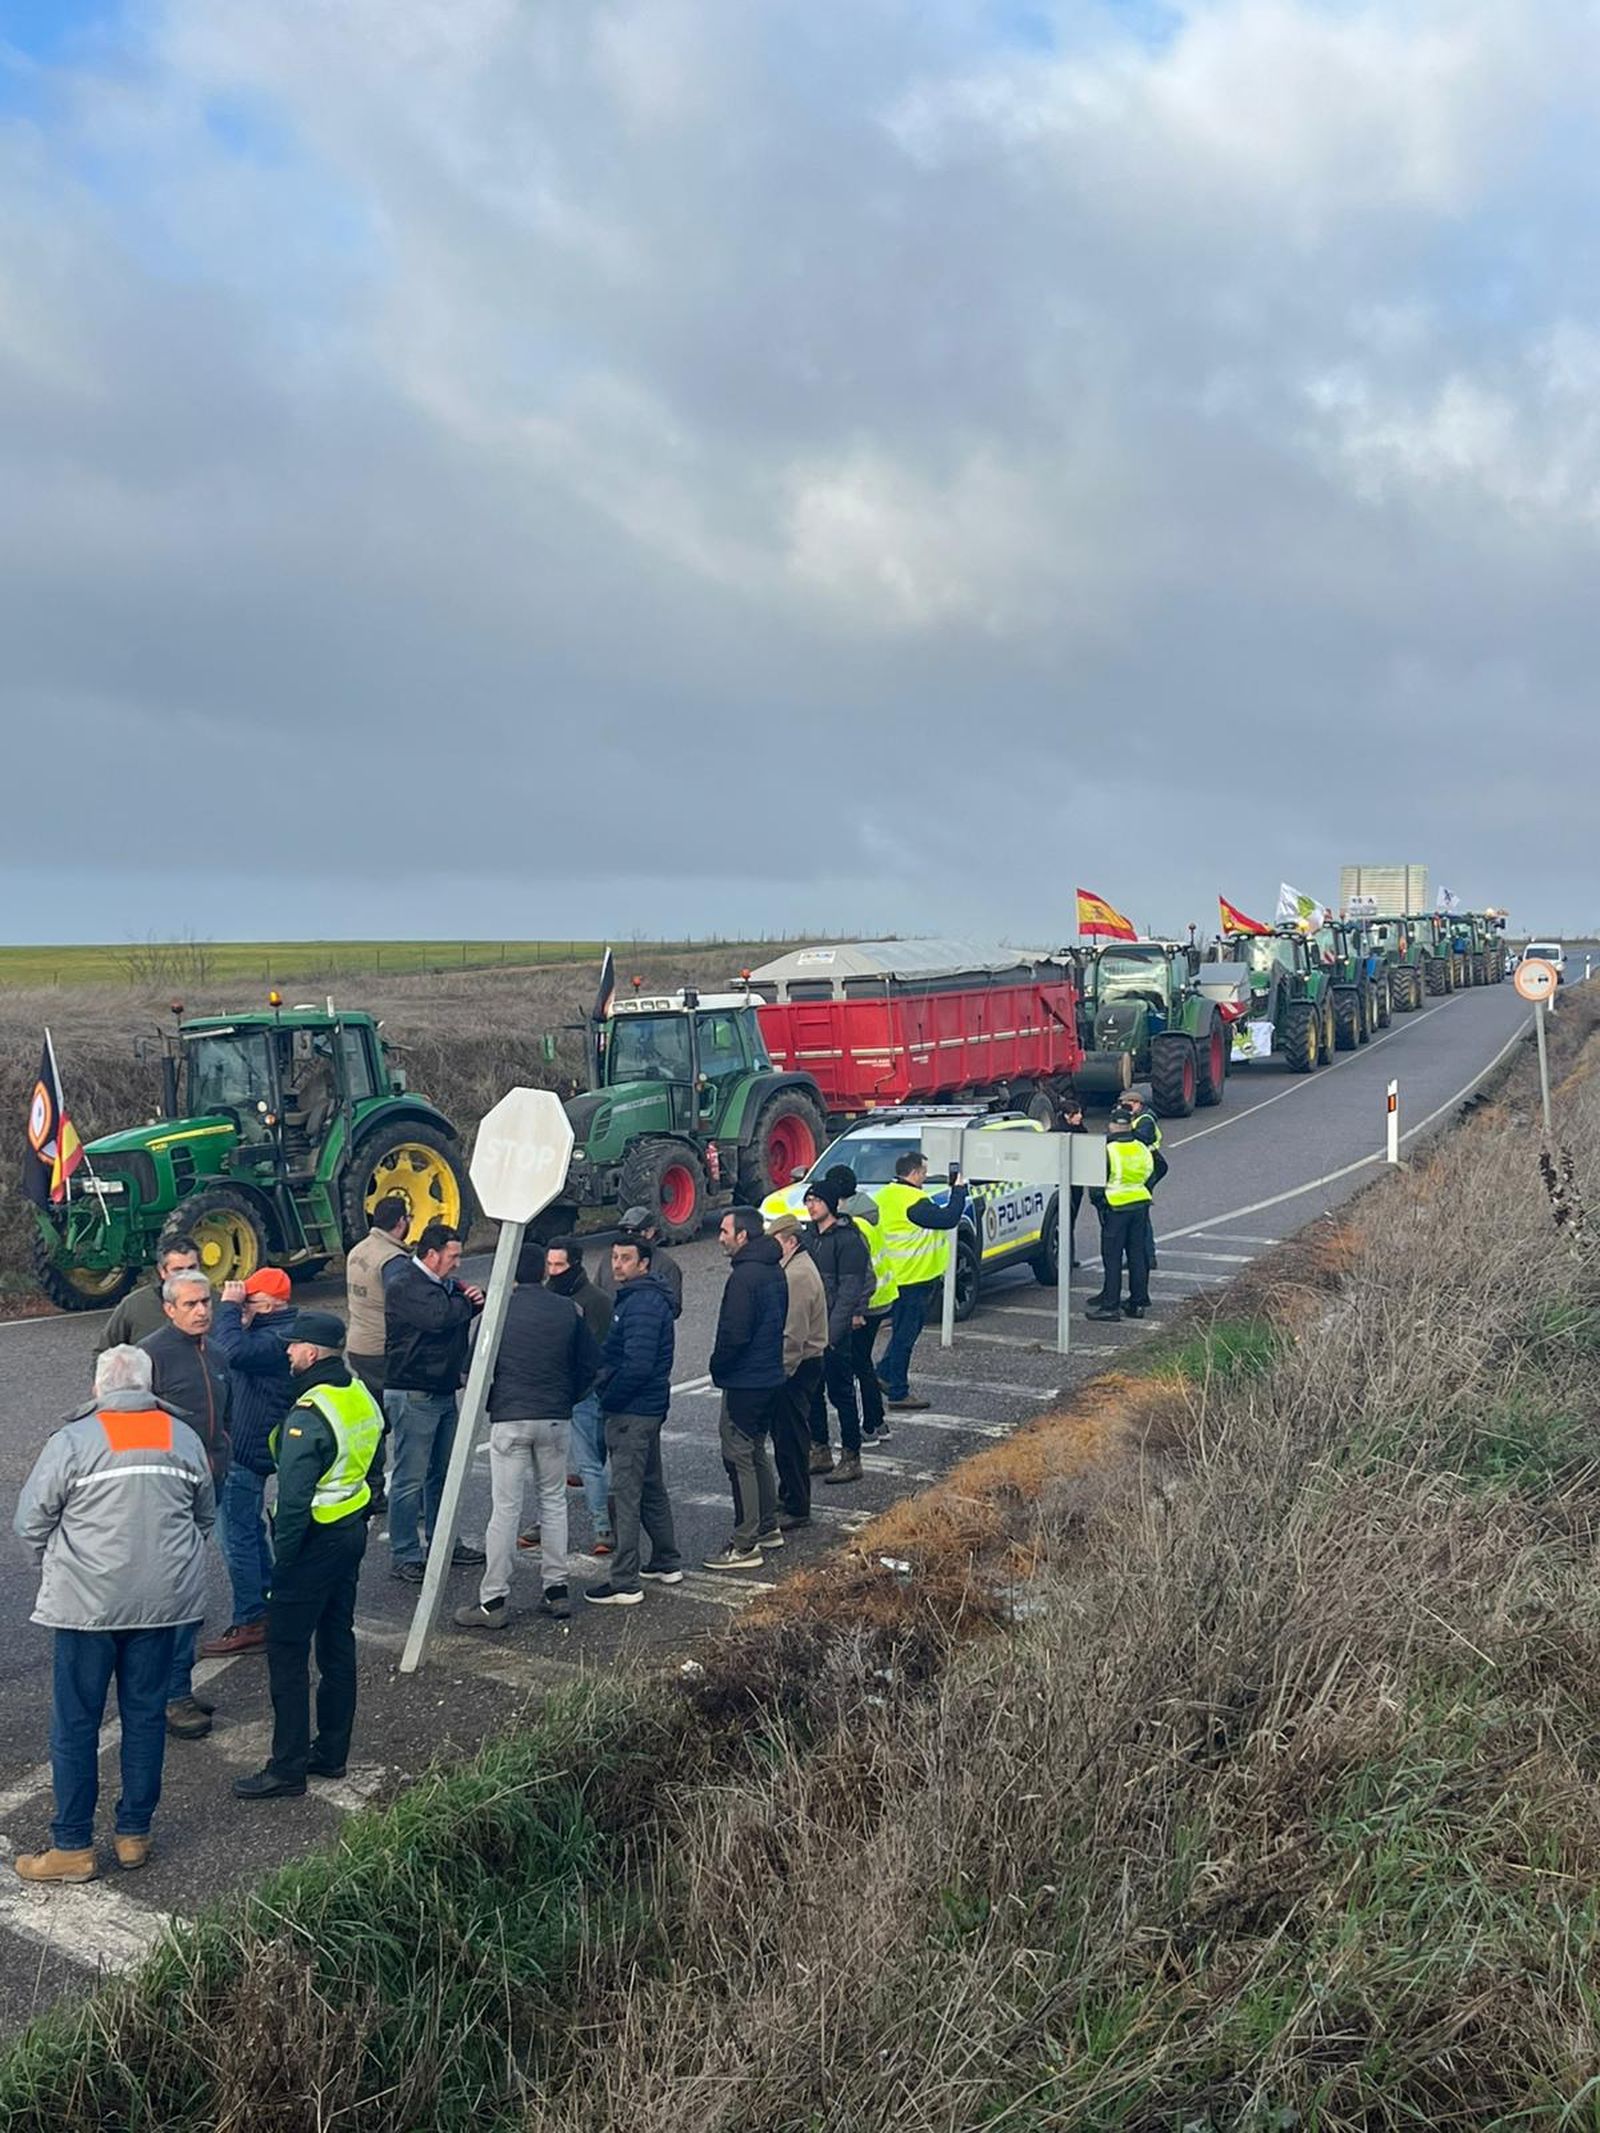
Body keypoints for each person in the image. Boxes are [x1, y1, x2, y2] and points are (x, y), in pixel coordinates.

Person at [12, 1344, 214, 1881]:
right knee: (144, 1717)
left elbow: (30, 1522)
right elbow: (204, 1517)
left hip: (87, 1608)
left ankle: (73, 1846)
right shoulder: (183, 1438)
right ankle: (133, 1835)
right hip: (162, 1606)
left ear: (100, 1389)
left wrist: (59, 1566)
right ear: (149, 1388)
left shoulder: (75, 1440)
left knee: (76, 1723)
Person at [233, 1313, 383, 1800]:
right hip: (350, 1531)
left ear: (313, 1353)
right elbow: (376, 1463)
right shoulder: (358, 1394)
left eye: (294, 1346)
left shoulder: (309, 1413)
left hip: (315, 1540)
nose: (288, 1352)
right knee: (337, 1643)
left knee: (287, 1651)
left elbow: (293, 1503)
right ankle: (332, 1752)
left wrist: (283, 1568)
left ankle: (288, 1765)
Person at [455, 1239, 600, 1631]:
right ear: (542, 1271)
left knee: (505, 1509)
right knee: (553, 1502)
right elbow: (589, 1365)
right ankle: (556, 1589)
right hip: (555, 1416)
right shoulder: (569, 1309)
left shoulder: (497, 1313)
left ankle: (494, 1598)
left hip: (511, 1416)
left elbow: (474, 1370)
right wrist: (568, 1397)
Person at [140, 1270, 231, 1741]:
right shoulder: (152, 1356)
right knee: (177, 1600)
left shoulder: (215, 1352)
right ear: (169, 1308)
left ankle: (178, 1686)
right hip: (168, 1499)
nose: (202, 1311)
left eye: (206, 1302)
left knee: (192, 1595)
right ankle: (172, 1696)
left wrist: (223, 1454)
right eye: (191, 1304)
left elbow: (224, 1413)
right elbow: (135, 1426)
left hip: (207, 1490)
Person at [384, 1221, 486, 1585]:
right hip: (414, 1392)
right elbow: (438, 1318)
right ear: (432, 1254)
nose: (458, 1263)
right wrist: (465, 1301)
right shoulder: (406, 1285)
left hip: (439, 1390)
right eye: (453, 1256)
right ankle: (405, 1552)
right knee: (409, 1479)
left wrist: (465, 1300)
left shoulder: (440, 1285)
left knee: (442, 1475)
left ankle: (444, 1543)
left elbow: (450, 1312)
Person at [584, 1236, 683, 1607]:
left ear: (644, 1264)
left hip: (633, 1411)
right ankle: (665, 1560)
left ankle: (625, 1580)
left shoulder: (640, 1304)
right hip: (647, 1409)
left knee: (625, 1495)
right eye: (614, 1257)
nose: (617, 1265)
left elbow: (637, 1365)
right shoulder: (642, 1299)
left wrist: (609, 1396)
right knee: (651, 1485)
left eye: (626, 1259)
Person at [204, 1267, 298, 1657]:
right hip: (250, 1445)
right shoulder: (270, 1329)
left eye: (252, 1302)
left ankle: (252, 1617)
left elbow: (229, 1351)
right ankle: (266, 1604)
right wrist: (237, 1317)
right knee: (248, 1530)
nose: (246, 1308)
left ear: (274, 1304)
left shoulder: (278, 1336)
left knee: (236, 1535)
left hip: (248, 1450)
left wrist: (228, 1309)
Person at [704, 1206, 788, 1570]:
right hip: (768, 1374)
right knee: (755, 1451)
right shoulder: (773, 1269)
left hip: (745, 1379)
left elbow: (734, 1333)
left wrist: (717, 1366)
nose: (720, 1237)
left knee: (738, 1456)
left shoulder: (744, 1278)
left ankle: (745, 1543)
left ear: (744, 1236)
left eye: (725, 1231)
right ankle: (768, 1526)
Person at [526, 1240, 614, 1558]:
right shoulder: (550, 1296)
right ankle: (542, 1522)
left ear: (575, 1264)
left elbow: (597, 1353)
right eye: (549, 1265)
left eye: (559, 1266)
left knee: (589, 1463)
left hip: (584, 1395)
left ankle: (602, 1527)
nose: (553, 1272)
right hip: (554, 1392)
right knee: (548, 1466)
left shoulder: (597, 1301)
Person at [874, 1153, 969, 1413]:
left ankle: (883, 1374)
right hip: (914, 1278)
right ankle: (898, 1392)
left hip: (893, 1278)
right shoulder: (915, 1202)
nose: (925, 1179)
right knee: (906, 1336)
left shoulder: (883, 1196)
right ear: (914, 1174)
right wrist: (958, 1191)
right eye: (924, 1174)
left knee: (901, 1333)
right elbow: (949, 1218)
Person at [802, 1178, 873, 1486]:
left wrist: (832, 1334)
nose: (811, 1205)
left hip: (833, 1331)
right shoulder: (807, 1237)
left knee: (841, 1393)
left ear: (830, 1203)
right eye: (808, 1200)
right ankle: (819, 1449)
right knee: (812, 1392)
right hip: (809, 1329)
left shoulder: (848, 1239)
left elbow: (850, 1290)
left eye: (816, 1200)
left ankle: (851, 1455)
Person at [344, 1194, 412, 1512]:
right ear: (401, 1223)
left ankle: (369, 1487)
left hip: (358, 1345)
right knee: (398, 1421)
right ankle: (383, 1488)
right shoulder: (393, 1261)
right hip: (383, 1350)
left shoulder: (358, 1252)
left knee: (371, 1418)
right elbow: (403, 1307)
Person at [823, 1163, 895, 1448]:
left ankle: (870, 1426)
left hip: (865, 1304)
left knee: (859, 1364)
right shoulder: (868, 1211)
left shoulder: (853, 1225)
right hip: (880, 1299)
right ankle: (877, 1422)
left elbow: (860, 1272)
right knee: (863, 1363)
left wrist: (855, 1311)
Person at [767, 1214, 828, 1529]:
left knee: (791, 1437)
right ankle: (789, 1494)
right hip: (801, 1361)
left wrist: (782, 1371)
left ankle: (797, 1505)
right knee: (786, 1435)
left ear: (790, 1241)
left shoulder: (798, 1275)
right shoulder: (795, 1268)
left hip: (800, 1364)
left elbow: (794, 1332)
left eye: (775, 1241)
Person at [1086, 1107, 1156, 1321]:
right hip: (1140, 1205)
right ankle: (1137, 1303)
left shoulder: (1108, 1149)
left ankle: (1110, 1307)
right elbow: (1152, 1171)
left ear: (1112, 1125)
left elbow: (1096, 1184)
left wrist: (1100, 1203)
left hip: (1115, 1209)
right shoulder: (1141, 1147)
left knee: (1112, 1259)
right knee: (1137, 1256)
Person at [97, 1233, 201, 1353]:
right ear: (162, 1271)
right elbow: (104, 1354)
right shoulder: (134, 1306)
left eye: (192, 1268)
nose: (186, 1276)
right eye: (178, 1270)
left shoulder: (218, 1305)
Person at [595, 1205, 683, 1317]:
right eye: (624, 1231)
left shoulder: (666, 1265)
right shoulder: (608, 1258)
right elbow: (597, 1294)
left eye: (634, 1231)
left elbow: (674, 1308)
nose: (629, 1235)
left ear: (650, 1232)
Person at [1120, 1089, 1169, 1276]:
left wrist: (1123, 1129)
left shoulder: (1145, 1120)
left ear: (1137, 1104)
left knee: (1141, 1215)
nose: (1125, 1108)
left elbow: (1141, 1138)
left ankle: (1148, 1256)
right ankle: (1144, 1256)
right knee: (1140, 1215)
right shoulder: (1139, 1118)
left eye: (1128, 1104)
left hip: (1148, 1167)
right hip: (1143, 1167)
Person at [1057, 1098, 1087, 1268]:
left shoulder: (1081, 1130)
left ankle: (1069, 1256)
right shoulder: (1057, 1133)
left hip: (1076, 1183)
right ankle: (1064, 1257)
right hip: (1062, 1184)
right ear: (1067, 1116)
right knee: (1063, 1221)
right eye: (1076, 1114)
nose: (1080, 1117)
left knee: (1070, 1221)